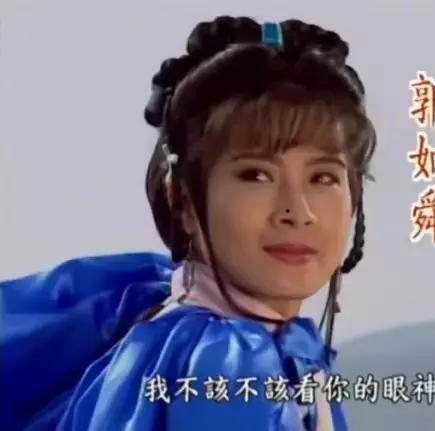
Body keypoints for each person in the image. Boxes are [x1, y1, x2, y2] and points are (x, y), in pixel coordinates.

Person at [1, 16, 376, 430]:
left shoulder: (173, 326)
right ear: (182, 201)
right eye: (256, 175)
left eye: (323, 178)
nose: (298, 211)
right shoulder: (227, 363)